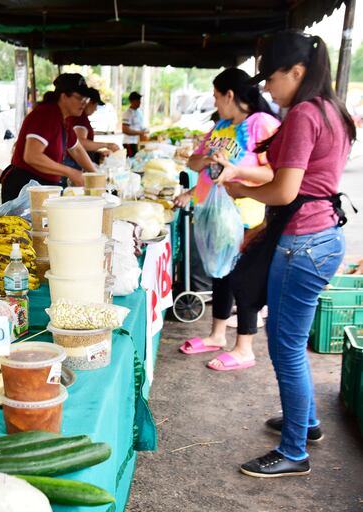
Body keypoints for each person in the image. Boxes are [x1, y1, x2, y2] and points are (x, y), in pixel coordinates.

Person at [224, 31, 355, 478]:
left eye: (271, 78)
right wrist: (262, 227)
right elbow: (311, 185)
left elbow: (285, 189)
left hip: (305, 243)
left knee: (287, 348)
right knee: (289, 341)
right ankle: (308, 422)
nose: (266, 88)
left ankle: (295, 450)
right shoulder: (333, 111)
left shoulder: (303, 114)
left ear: (296, 72)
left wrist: (240, 188)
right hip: (320, 235)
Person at [176, 68, 280, 372]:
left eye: (216, 95)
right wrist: (209, 160)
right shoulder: (220, 126)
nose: (215, 101)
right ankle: (217, 335)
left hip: (246, 214)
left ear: (230, 95)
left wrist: (236, 173)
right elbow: (194, 161)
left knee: (243, 279)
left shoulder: (262, 124)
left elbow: (275, 172)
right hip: (214, 214)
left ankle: (244, 348)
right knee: (221, 276)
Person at [0, 73, 98, 202]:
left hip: (43, 186)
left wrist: (95, 174)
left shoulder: (64, 119)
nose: (83, 103)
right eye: (79, 98)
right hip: (25, 187)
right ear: (63, 96)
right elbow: (32, 156)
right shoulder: (46, 115)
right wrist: (71, 172)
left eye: (85, 99)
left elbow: (77, 149)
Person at [63, 87, 121, 169]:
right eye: (96, 105)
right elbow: (81, 143)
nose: (96, 109)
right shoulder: (79, 118)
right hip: (74, 164)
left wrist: (97, 153)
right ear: (89, 102)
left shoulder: (80, 117)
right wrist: (107, 145)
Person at [122, 91, 149, 156]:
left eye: (139, 100)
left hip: (138, 142)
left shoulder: (139, 112)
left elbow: (140, 126)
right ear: (132, 101)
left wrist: (145, 130)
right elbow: (125, 130)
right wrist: (140, 133)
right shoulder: (127, 113)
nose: (139, 102)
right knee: (132, 161)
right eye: (137, 101)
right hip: (129, 143)